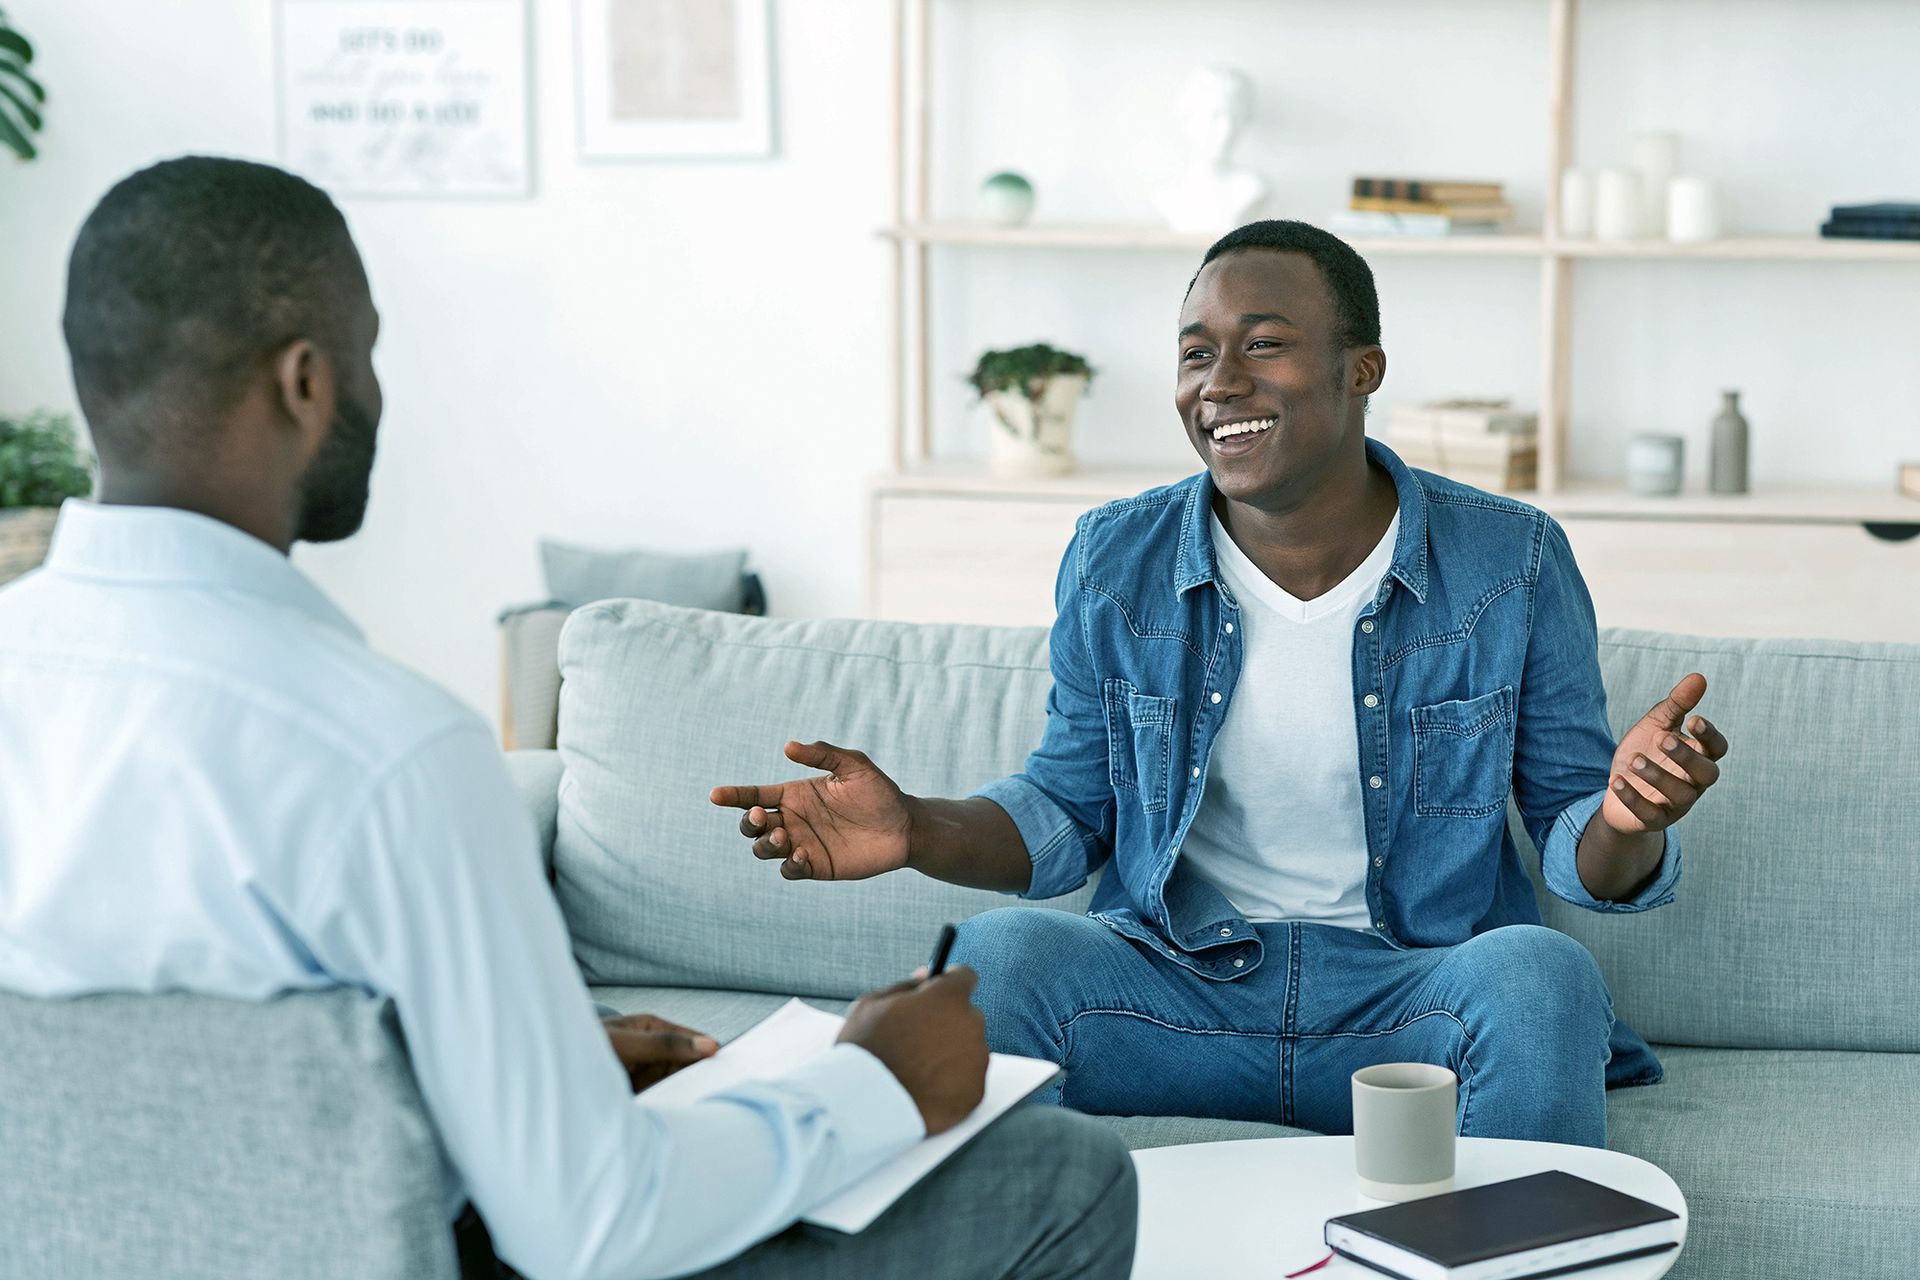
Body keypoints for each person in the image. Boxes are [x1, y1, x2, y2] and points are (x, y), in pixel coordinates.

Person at [0, 156, 1136, 1280]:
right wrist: (873, 1081)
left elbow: (183, 1109)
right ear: (305, 381)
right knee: (1062, 1176)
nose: (378, 394)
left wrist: (536, 1067)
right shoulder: (387, 755)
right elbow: (594, 1225)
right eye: (369, 353)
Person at [713, 219, 1729, 1148]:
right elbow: (1070, 807)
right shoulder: (1116, 556)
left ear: (1360, 369)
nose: (1220, 379)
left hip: (1407, 1006)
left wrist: (1628, 814)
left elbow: (1579, 849)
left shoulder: (1512, 559)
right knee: (1000, 958)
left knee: (1542, 974)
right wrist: (916, 829)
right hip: (1175, 997)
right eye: (1196, 352)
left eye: (1264, 342)